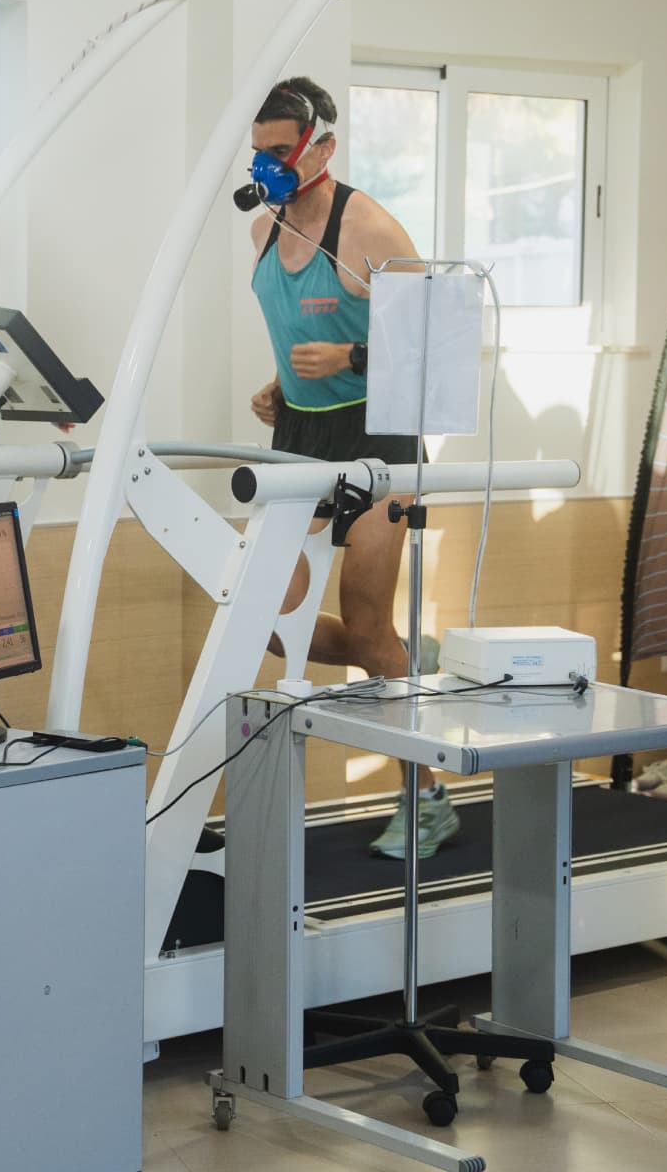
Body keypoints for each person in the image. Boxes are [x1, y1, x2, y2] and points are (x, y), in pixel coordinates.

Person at [243, 75, 456, 860]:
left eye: (280, 150)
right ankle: (402, 660)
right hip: (301, 432)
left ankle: (427, 799)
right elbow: (294, 325)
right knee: (268, 622)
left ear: (322, 147)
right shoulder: (261, 229)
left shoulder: (369, 228)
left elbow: (439, 352)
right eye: (258, 151)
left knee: (364, 621)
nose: (266, 164)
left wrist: (352, 354)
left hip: (379, 435)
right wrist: (283, 385)